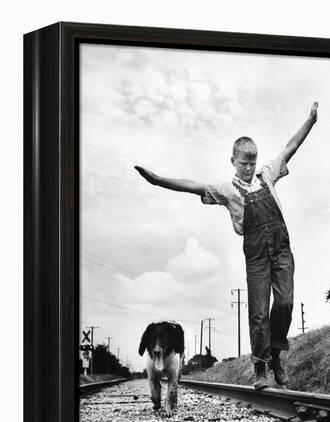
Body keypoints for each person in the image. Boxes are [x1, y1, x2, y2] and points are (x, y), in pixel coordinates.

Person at [134, 102, 318, 389]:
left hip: (281, 248)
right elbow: (192, 185)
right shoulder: (226, 190)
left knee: (285, 302)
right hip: (256, 254)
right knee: (258, 311)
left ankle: (276, 354)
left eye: (252, 162)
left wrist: (311, 121)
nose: (248, 167)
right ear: (232, 160)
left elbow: (290, 147)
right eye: (243, 162)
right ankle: (261, 368)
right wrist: (158, 181)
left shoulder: (267, 175)